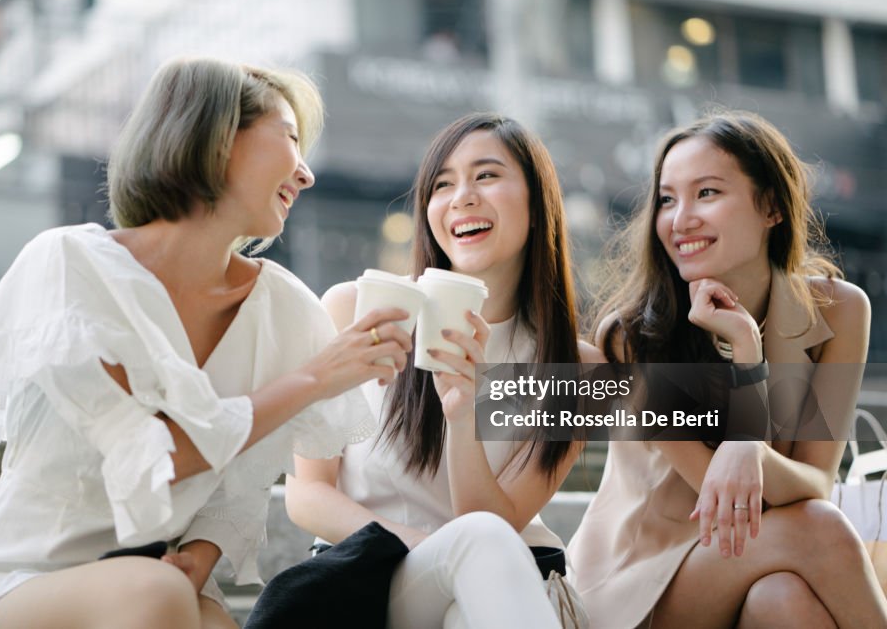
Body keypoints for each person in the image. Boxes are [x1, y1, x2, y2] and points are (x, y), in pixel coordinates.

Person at [0, 57, 412, 629]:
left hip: (158, 586)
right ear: (214, 140)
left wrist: (199, 557)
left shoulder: (284, 308)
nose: (306, 174)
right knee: (156, 594)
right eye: (289, 138)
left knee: (201, 614)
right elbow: (154, 459)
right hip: (12, 590)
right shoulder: (71, 265)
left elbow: (237, 483)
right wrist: (314, 378)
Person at [567, 110, 887, 628]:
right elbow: (732, 500)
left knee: (782, 601)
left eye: (707, 193)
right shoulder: (634, 336)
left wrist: (745, 427)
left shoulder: (841, 310)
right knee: (819, 528)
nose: (680, 218)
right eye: (668, 199)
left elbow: (815, 480)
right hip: (639, 584)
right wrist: (747, 377)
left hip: (760, 562)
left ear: (773, 208)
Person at [285, 112, 600, 628]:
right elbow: (306, 493)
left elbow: (496, 522)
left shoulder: (579, 369)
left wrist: (461, 416)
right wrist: (427, 547)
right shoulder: (354, 308)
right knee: (472, 553)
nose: (462, 197)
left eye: (487, 175)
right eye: (442, 183)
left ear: (538, 204)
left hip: (500, 586)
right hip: (368, 577)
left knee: (467, 603)